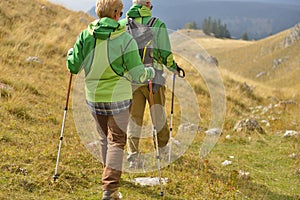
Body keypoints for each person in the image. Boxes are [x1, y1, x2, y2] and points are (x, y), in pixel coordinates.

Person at [66, 0, 155, 199]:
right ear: (115, 13)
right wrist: (149, 71)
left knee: (103, 138)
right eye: (121, 12)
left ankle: (109, 174)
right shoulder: (125, 39)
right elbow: (137, 74)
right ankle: (110, 189)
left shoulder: (84, 36)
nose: (121, 15)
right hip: (120, 100)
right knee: (117, 141)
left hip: (94, 98)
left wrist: (70, 54)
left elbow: (73, 67)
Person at [119, 0, 185, 168]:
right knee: (159, 115)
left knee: (134, 118)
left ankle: (133, 156)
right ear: (147, 4)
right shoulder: (158, 24)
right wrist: (174, 68)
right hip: (154, 79)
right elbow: (165, 54)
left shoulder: (121, 25)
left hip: (132, 79)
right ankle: (163, 152)